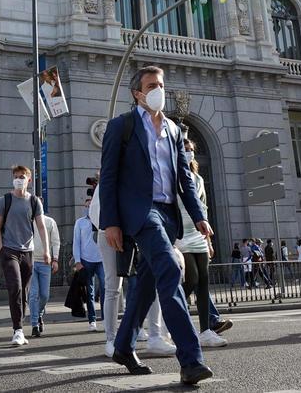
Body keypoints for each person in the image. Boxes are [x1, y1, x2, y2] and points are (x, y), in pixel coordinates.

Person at [99, 65, 213, 385]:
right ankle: (191, 359)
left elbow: (185, 181)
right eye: (152, 85)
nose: (158, 90)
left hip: (168, 212)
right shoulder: (121, 126)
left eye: (161, 84)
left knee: (149, 282)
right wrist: (111, 223)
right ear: (138, 93)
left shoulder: (175, 130)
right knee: (170, 268)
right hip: (141, 213)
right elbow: (107, 178)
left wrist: (200, 215)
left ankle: (123, 346)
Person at [93, 180, 173, 359]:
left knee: (151, 282)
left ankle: (155, 336)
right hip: (109, 230)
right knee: (114, 286)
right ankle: (111, 340)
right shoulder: (113, 169)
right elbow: (98, 208)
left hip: (140, 229)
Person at [0, 165, 52, 346]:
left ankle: (21, 327)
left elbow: (41, 227)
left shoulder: (34, 201)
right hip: (9, 251)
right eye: (16, 176)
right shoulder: (5, 200)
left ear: (29, 179)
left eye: (22, 176)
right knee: (15, 286)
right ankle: (17, 330)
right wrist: (1, 248)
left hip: (28, 252)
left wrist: (47, 251)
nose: (19, 179)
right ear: (13, 178)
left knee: (24, 292)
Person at [176, 137, 226, 348]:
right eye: (185, 149)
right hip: (181, 234)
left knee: (204, 281)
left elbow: (203, 209)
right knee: (192, 277)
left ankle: (205, 330)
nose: (189, 153)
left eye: (191, 150)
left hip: (198, 234)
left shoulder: (198, 179)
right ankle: (170, 313)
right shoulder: (174, 176)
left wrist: (209, 240)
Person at [72, 193, 104, 332]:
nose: (88, 208)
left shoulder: (102, 220)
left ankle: (105, 318)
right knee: (89, 292)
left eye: (91, 205)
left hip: (102, 259)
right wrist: (78, 261)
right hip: (86, 260)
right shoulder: (80, 222)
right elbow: (76, 243)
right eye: (86, 206)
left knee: (105, 288)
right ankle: (92, 320)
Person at [29, 203, 60, 337]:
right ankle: (34, 324)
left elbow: (55, 241)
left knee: (44, 295)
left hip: (45, 262)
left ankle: (39, 314)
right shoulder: (28, 221)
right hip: (30, 261)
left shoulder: (50, 222)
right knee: (33, 294)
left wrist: (55, 259)